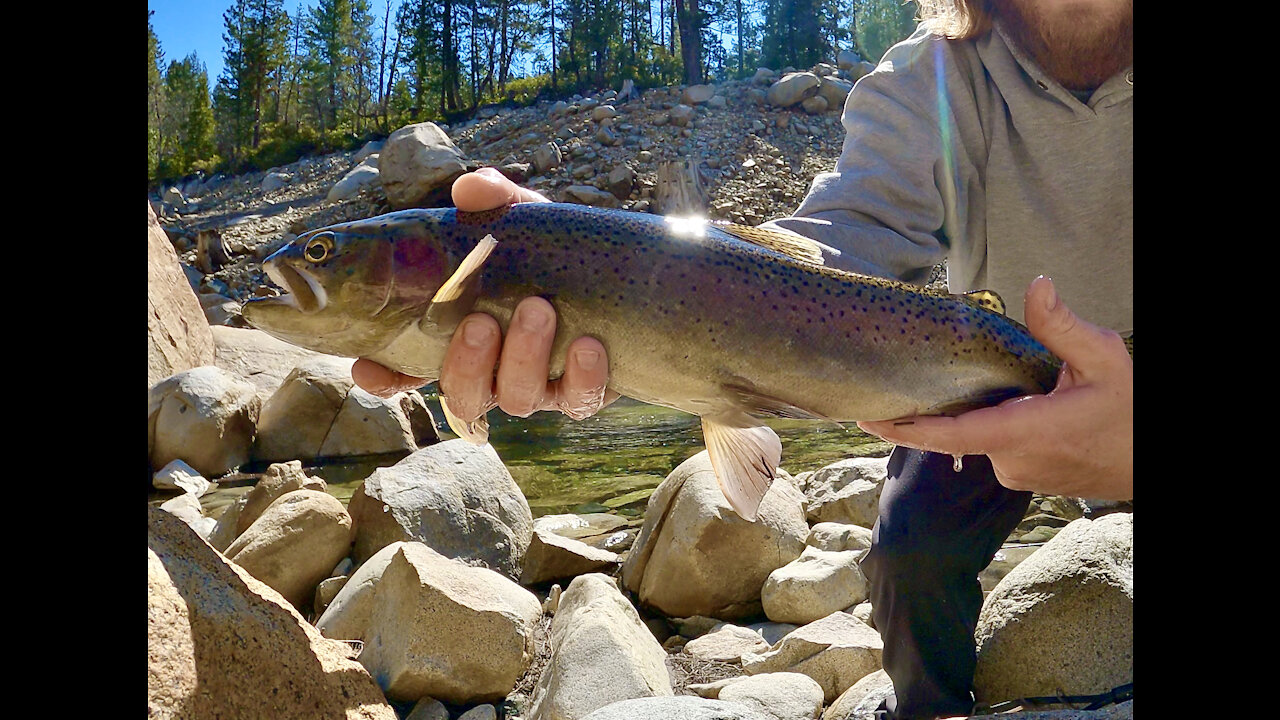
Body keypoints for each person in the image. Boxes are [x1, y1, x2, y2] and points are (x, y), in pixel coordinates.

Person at [355, 0, 1132, 716]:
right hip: (989, 378)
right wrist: (605, 271)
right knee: (906, 556)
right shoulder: (931, 73)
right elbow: (838, 248)